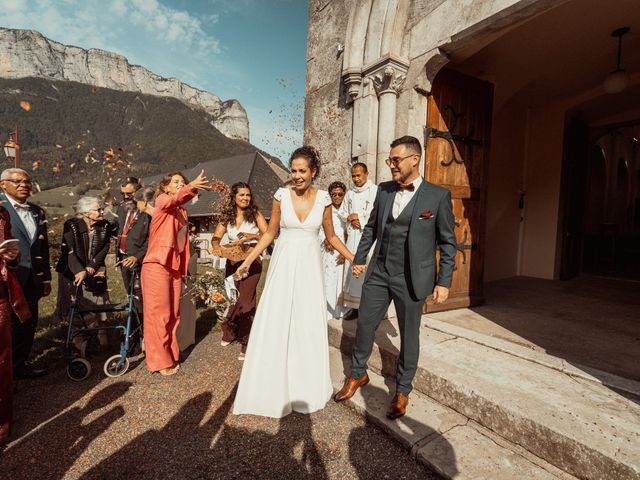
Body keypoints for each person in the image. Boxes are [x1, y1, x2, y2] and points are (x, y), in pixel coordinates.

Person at [334, 135, 457, 420]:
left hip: (412, 278)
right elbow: (371, 228)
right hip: (379, 272)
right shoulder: (385, 190)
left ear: (415, 159)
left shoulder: (437, 196)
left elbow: (448, 243)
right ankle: (357, 374)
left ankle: (402, 390)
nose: (391, 165)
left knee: (408, 335)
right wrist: (360, 258)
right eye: (390, 160)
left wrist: (444, 281)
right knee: (364, 323)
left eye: (396, 160)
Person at [232, 146, 354, 418]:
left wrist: (353, 257)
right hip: (283, 268)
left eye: (302, 171)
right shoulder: (280, 196)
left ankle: (304, 386)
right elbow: (270, 234)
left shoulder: (323, 199)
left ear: (314, 172)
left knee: (305, 323)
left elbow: (332, 237)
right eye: (293, 170)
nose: (296, 176)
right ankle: (271, 387)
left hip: (310, 271)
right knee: (277, 320)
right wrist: (248, 260)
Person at [141, 170, 210, 376]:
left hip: (174, 267)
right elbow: (176, 199)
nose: (180, 184)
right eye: (176, 182)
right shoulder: (162, 201)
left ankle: (170, 355)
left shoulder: (182, 212)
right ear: (166, 187)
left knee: (173, 314)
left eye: (183, 181)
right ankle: (159, 362)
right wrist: (192, 187)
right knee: (158, 315)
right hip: (156, 265)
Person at [0, 168, 51, 379]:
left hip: (32, 279)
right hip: (8, 278)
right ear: (3, 185)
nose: (24, 185)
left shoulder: (37, 211)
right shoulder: (1, 210)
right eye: (17, 181)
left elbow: (42, 247)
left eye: (27, 181)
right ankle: (6, 374)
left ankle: (20, 366)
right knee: (8, 327)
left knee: (29, 324)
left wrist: (46, 277)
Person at [209, 182, 268, 359]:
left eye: (248, 195)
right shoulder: (227, 216)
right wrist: (216, 246)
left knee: (247, 301)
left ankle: (247, 342)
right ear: (234, 197)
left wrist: (253, 236)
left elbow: (268, 234)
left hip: (252, 260)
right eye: (241, 195)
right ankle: (229, 331)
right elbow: (216, 236)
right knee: (233, 299)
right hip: (233, 261)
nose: (245, 198)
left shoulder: (255, 213)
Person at [55, 197, 113, 354]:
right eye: (98, 209)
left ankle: (103, 334)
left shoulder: (105, 225)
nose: (102, 211)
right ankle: (78, 340)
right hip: (72, 268)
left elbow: (105, 247)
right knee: (75, 302)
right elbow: (69, 250)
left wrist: (91, 267)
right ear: (85, 213)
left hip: (94, 267)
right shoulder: (72, 225)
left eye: (101, 209)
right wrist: (80, 270)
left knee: (100, 299)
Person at [0, 206, 30, 447]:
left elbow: (11, 256)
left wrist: (12, 257)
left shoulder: (2, 214)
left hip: (0, 296)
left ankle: (3, 422)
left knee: (2, 360)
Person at [342, 162, 377, 318]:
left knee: (366, 269)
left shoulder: (375, 191)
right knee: (353, 270)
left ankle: (368, 308)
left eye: (358, 175)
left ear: (366, 174)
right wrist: (350, 218)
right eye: (353, 176)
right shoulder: (349, 193)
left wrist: (361, 219)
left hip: (368, 237)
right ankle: (354, 307)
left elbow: (378, 214)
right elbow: (343, 212)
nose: (355, 179)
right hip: (353, 237)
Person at [114, 177, 150, 332]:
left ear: (139, 191)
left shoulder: (148, 210)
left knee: (142, 298)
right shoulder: (121, 209)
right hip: (124, 259)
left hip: (141, 260)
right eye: (123, 194)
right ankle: (135, 331)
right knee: (131, 297)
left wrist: (138, 256)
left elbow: (151, 238)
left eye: (129, 193)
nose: (126, 197)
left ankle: (145, 333)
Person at [319, 181, 349, 320]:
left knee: (341, 281)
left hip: (342, 250)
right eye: (334, 194)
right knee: (328, 279)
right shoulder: (325, 209)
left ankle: (340, 311)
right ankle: (327, 311)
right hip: (328, 250)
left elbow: (349, 233)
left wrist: (345, 252)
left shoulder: (346, 212)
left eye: (340, 194)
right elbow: (319, 228)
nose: (337, 197)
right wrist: (325, 239)